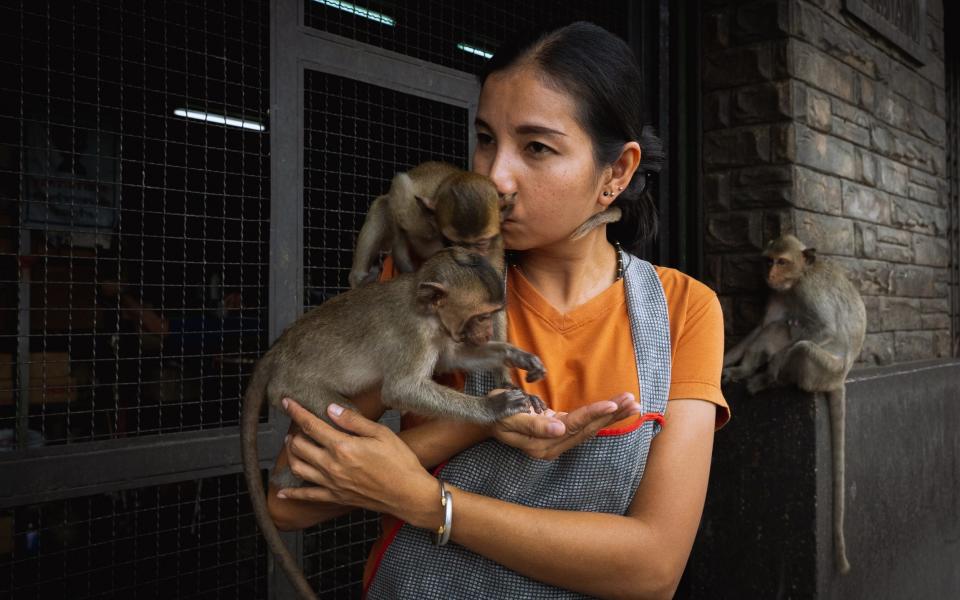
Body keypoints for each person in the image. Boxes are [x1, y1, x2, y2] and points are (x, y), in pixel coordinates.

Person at [266, 21, 729, 599]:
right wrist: (478, 419)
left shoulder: (681, 311)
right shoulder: (430, 285)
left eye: (536, 147)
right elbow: (290, 500)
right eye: (486, 138)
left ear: (617, 172)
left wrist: (426, 501)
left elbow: (653, 569)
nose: (493, 175)